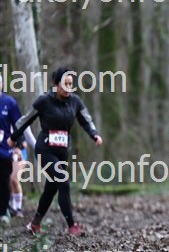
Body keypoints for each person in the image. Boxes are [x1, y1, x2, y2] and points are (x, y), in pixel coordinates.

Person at [8, 67, 102, 236]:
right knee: (63, 181)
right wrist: (14, 137)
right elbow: (25, 120)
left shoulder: (75, 101)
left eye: (71, 84)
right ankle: (72, 226)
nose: (68, 88)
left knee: (51, 188)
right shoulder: (44, 101)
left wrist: (94, 134)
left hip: (62, 152)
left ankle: (35, 224)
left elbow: (86, 120)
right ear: (56, 85)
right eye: (65, 84)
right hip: (45, 150)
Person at [0, 74, 23, 224]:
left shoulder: (10, 103)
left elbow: (19, 125)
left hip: (4, 150)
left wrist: (19, 146)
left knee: (5, 181)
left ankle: (3, 212)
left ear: (2, 84)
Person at [9, 136, 29, 218]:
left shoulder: (19, 127)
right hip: (6, 152)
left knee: (14, 179)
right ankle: (12, 207)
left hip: (20, 152)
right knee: (9, 180)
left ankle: (18, 209)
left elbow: (27, 137)